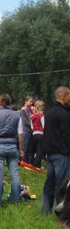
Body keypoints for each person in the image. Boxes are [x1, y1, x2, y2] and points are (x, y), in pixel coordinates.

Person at [0, 93, 24, 206]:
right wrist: (21, 149)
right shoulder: (17, 115)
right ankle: (16, 200)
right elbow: (20, 134)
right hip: (13, 146)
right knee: (15, 175)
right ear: (9, 102)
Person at [41, 86, 70, 215]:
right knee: (61, 184)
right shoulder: (64, 114)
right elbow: (66, 135)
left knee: (49, 183)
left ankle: (45, 210)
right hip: (61, 153)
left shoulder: (49, 112)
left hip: (50, 153)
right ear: (64, 96)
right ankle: (61, 211)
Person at [30, 99, 45, 168]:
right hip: (41, 134)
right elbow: (44, 125)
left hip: (34, 134)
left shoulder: (32, 116)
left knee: (34, 150)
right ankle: (37, 165)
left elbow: (32, 127)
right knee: (39, 150)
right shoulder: (41, 115)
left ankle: (32, 162)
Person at [20, 95, 34, 163]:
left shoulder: (31, 110)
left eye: (32, 102)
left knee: (30, 147)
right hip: (26, 131)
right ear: (26, 101)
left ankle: (28, 161)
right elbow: (25, 122)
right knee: (25, 147)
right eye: (30, 101)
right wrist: (33, 126)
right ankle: (23, 161)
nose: (32, 103)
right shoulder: (23, 110)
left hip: (31, 131)